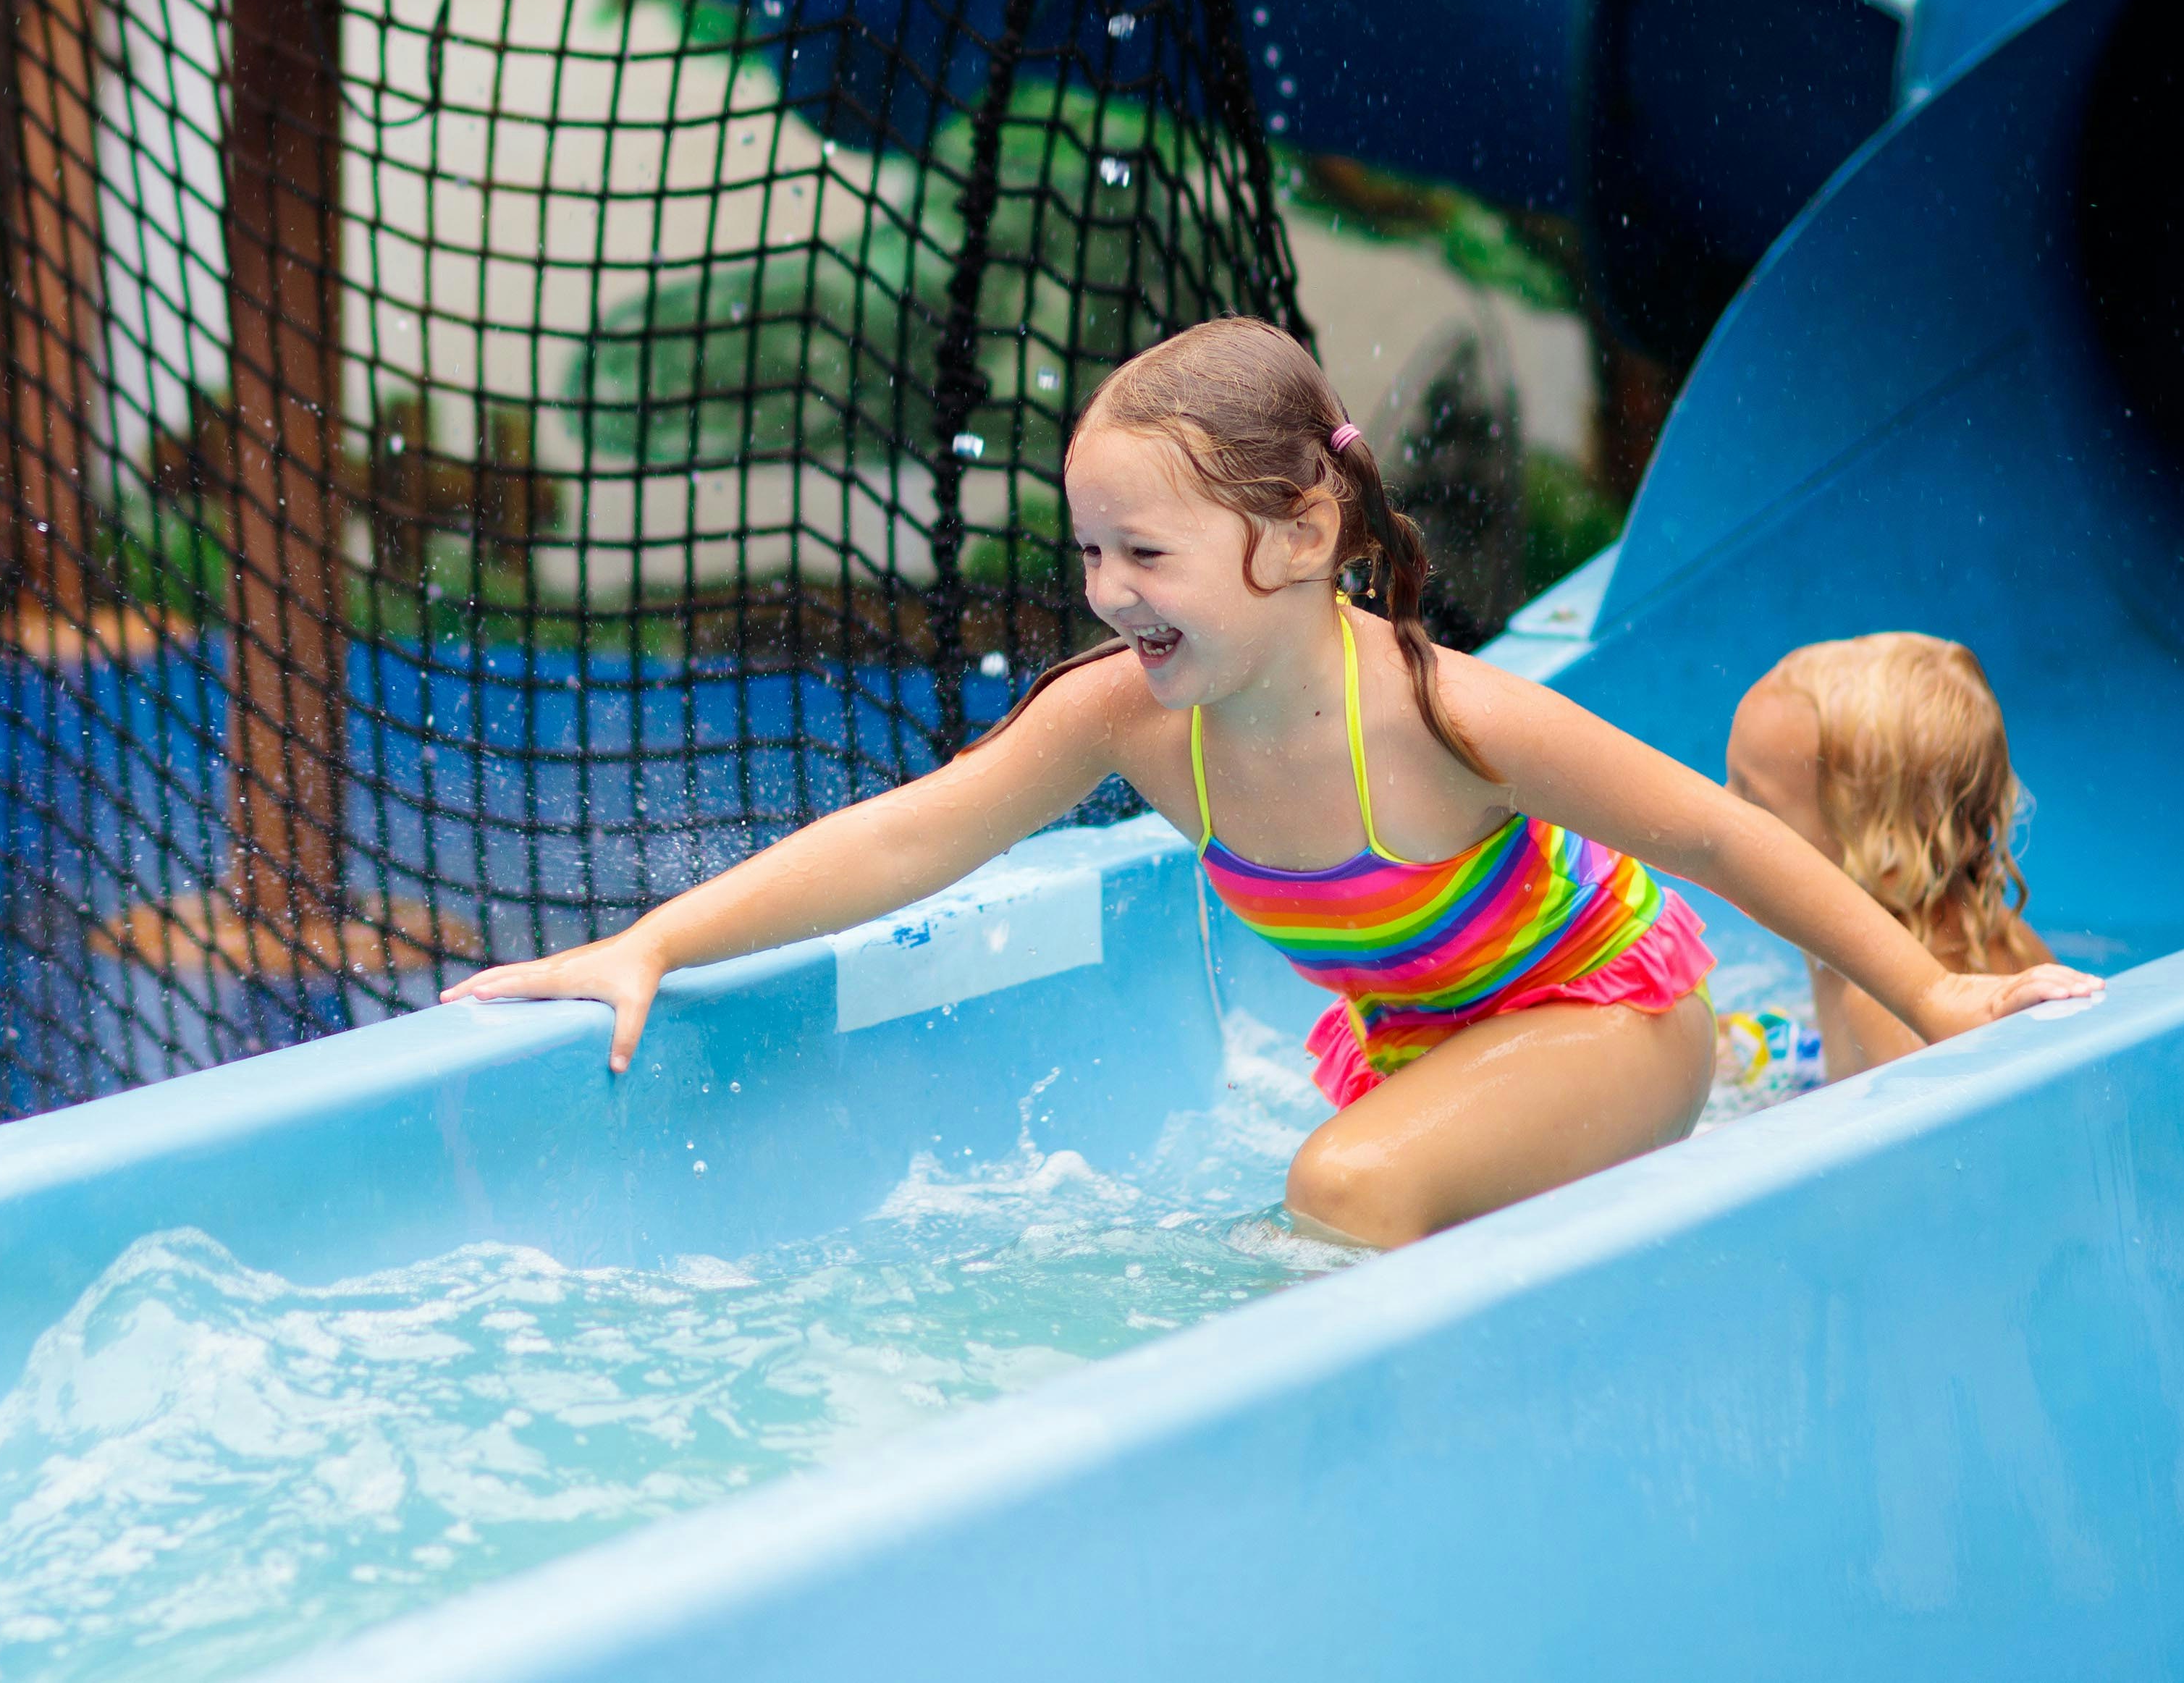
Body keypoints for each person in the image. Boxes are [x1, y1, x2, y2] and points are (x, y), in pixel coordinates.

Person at [442, 320, 2099, 1247]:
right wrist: (654, 939)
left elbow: (1716, 835)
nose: (1106, 591)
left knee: (1344, 1187)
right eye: (1088, 550)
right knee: (1350, 1185)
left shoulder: (1447, 716)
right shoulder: (1126, 722)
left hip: (1610, 1018)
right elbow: (909, 836)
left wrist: (1939, 1000)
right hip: (1432, 1043)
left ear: (1302, 538)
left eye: (1146, 550)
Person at [1722, 633, 2057, 1082]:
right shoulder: (2006, 933)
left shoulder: (1878, 1002)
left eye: (1753, 801)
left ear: (1886, 856)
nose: (1720, 814)